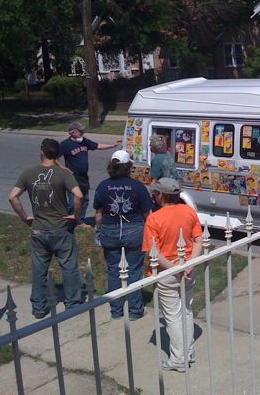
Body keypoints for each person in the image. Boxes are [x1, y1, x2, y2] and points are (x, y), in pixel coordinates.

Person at [8, 138, 84, 319]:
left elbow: (12, 197)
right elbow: (78, 196)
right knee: (69, 266)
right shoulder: (64, 174)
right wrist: (75, 215)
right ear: (58, 154)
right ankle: (72, 303)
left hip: (39, 229)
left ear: (41, 151)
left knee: (39, 269)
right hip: (61, 228)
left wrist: (25, 217)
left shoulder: (29, 173)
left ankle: (39, 307)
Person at [142, 178, 203, 372]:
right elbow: (198, 241)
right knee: (185, 310)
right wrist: (188, 265)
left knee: (173, 316)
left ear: (160, 195)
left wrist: (174, 269)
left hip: (167, 272)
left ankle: (178, 358)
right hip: (188, 270)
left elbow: (153, 252)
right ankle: (189, 351)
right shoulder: (189, 212)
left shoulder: (154, 218)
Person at [93, 150, 153, 320]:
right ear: (129, 167)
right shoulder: (137, 186)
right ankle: (135, 311)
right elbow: (147, 214)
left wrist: (98, 230)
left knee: (113, 270)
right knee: (134, 270)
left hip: (110, 230)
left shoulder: (103, 186)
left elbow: (98, 213)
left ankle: (116, 310)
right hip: (134, 230)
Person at [59, 121, 121, 226]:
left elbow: (97, 146)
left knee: (85, 199)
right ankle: (69, 221)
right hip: (72, 176)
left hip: (83, 177)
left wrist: (113, 145)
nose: (83, 133)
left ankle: (80, 221)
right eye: (80, 131)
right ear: (72, 133)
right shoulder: (65, 144)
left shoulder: (84, 142)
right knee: (73, 201)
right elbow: (53, 157)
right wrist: (63, 168)